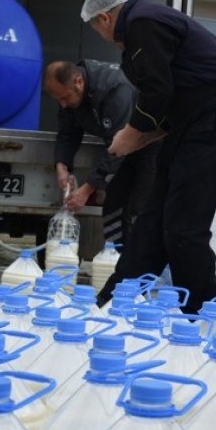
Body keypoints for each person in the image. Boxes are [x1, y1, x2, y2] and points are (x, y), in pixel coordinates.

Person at [81, 0, 216, 314]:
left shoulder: (143, 22)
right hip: (192, 126)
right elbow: (175, 94)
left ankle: (205, 316)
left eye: (96, 30)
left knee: (182, 226)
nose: (101, 37)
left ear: (105, 19)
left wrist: (131, 132)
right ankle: (114, 302)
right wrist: (146, 136)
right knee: (152, 221)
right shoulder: (145, 23)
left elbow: (157, 89)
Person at [45, 60, 159, 273]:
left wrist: (87, 189)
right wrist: (62, 166)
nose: (62, 104)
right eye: (58, 99)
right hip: (120, 145)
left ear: (78, 82)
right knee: (113, 205)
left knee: (138, 208)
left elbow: (118, 147)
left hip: (148, 143)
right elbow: (68, 133)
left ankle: (140, 272)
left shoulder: (115, 90)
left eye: (64, 98)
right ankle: (115, 263)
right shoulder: (70, 94)